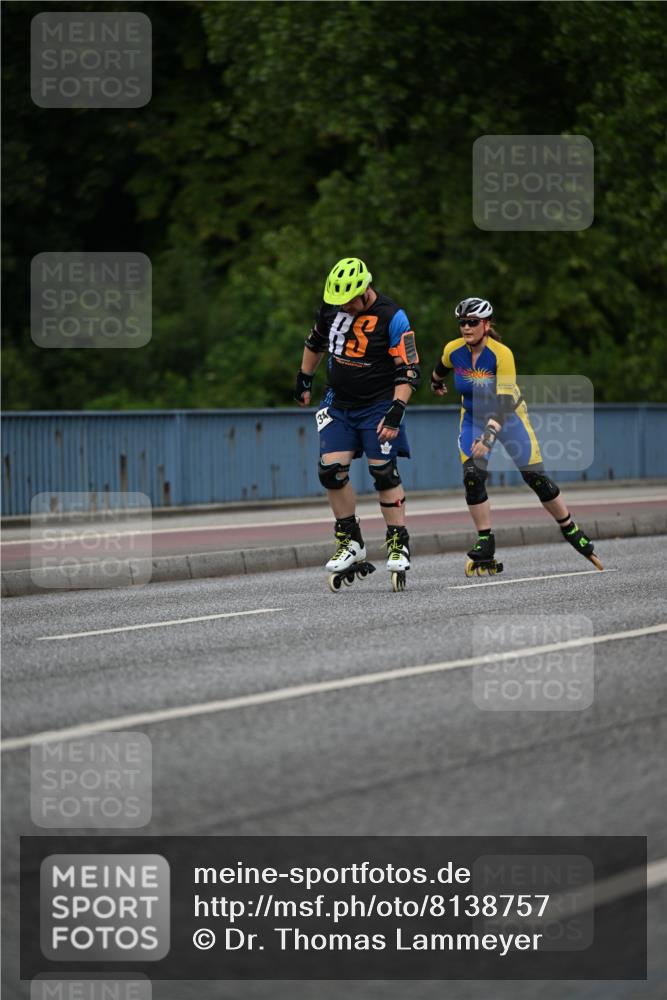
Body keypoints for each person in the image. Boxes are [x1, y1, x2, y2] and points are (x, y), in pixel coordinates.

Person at [430, 296, 602, 574]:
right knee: (472, 475)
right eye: (462, 323)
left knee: (535, 478)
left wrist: (488, 437)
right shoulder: (453, 349)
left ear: (486, 325)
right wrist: (436, 383)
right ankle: (485, 541)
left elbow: (505, 401)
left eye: (472, 322)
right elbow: (440, 368)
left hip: (508, 417)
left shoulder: (502, 355)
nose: (466, 327)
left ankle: (570, 528)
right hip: (473, 419)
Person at [294, 257, 421, 591]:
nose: (344, 308)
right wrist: (304, 378)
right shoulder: (332, 307)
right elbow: (315, 342)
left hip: (378, 404)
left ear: (366, 290)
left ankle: (398, 541)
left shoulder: (393, 317)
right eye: (339, 302)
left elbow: (409, 370)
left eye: (349, 301)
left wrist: (396, 410)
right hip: (338, 403)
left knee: (383, 472)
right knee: (330, 472)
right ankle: (351, 542)